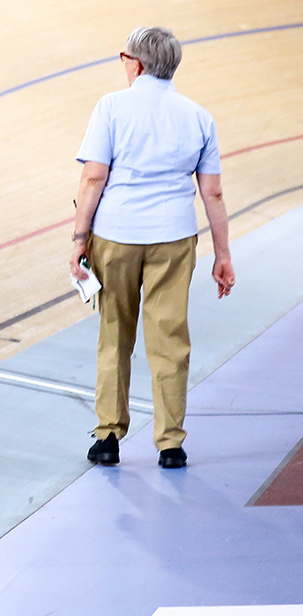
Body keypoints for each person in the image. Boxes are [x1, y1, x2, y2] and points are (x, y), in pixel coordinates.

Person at [69, 27, 233, 469]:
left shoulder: (111, 107)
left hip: (116, 236)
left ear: (136, 63)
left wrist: (79, 239)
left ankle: (107, 438)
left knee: (114, 335)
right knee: (169, 339)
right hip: (174, 239)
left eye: (124, 57)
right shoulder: (199, 116)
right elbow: (213, 194)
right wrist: (223, 254)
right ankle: (171, 444)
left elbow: (93, 178)